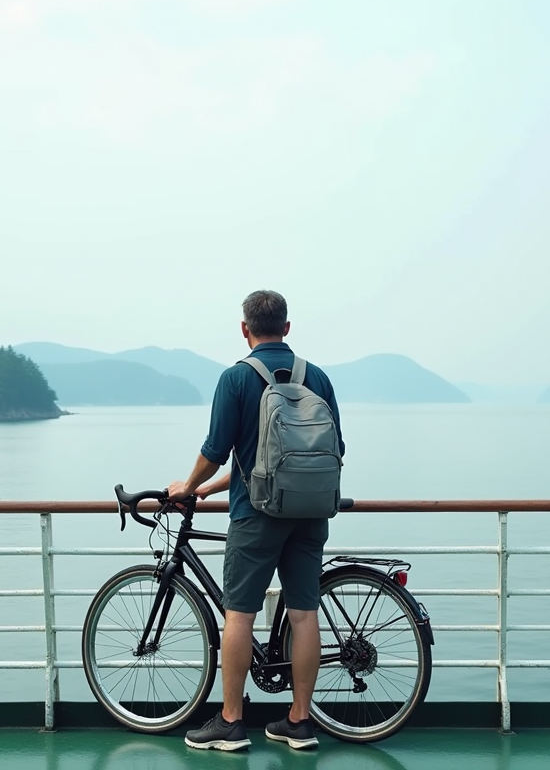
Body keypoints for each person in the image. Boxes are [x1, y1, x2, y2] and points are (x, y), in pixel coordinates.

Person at [168, 290, 344, 752]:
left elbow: (216, 449)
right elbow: (333, 450)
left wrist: (188, 487)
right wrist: (215, 487)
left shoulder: (236, 379)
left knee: (239, 614)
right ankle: (300, 722)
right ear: (287, 328)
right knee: (304, 613)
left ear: (244, 329)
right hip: (310, 513)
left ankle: (230, 723)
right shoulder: (318, 378)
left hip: (257, 516)